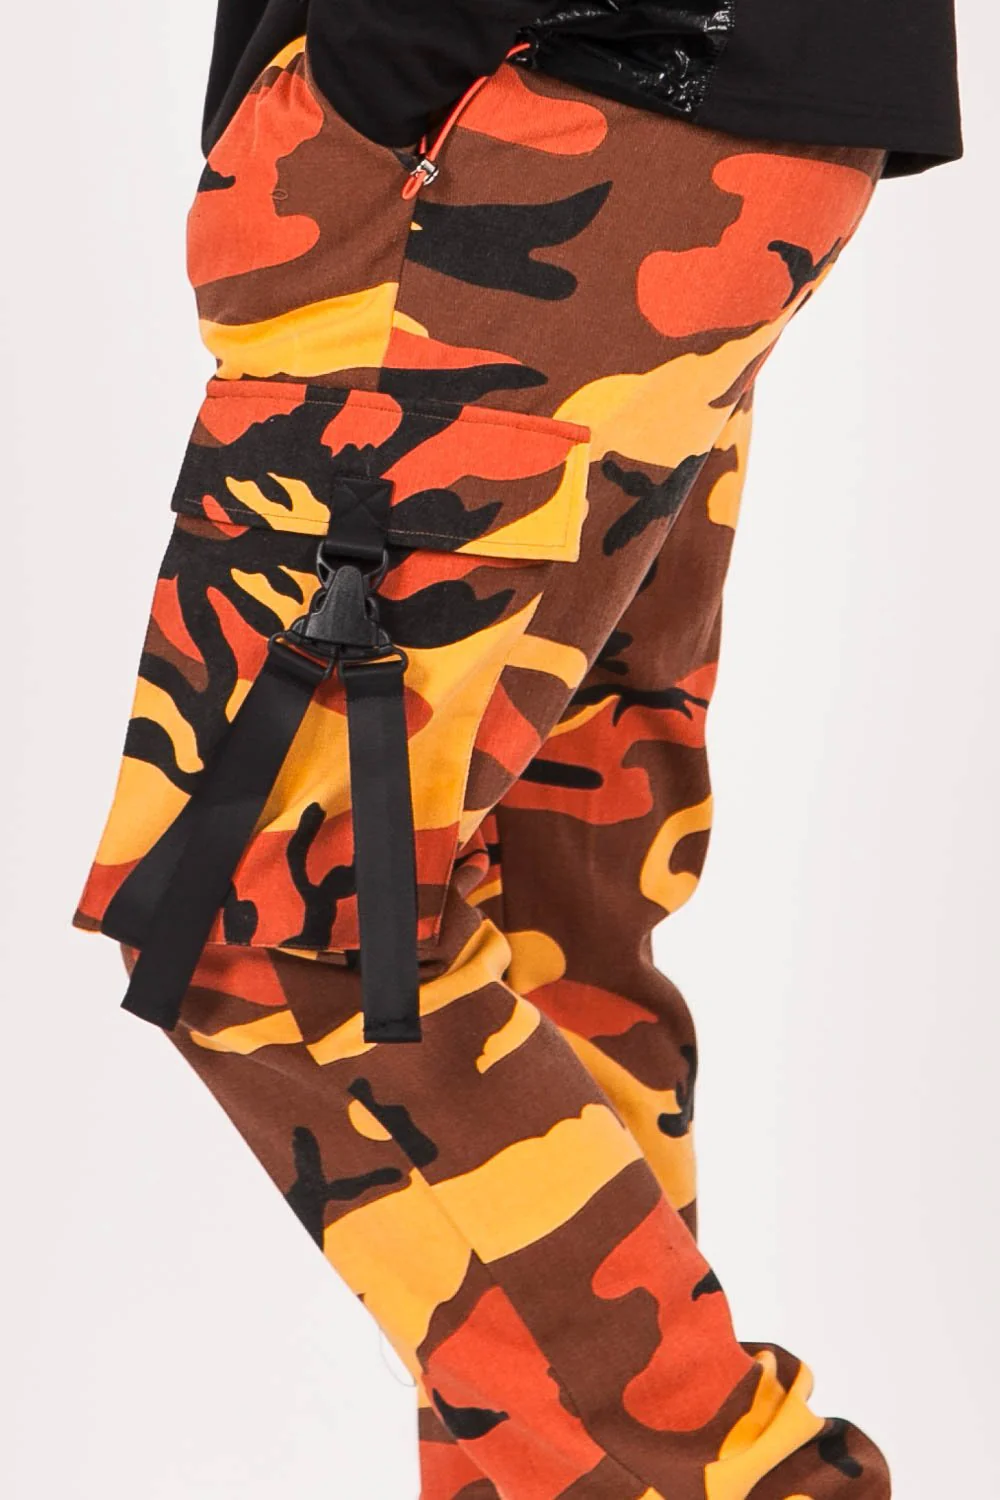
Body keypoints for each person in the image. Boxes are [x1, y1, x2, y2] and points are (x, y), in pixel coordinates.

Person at [76, 3, 961, 1495]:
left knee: (278, 926)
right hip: (688, 134)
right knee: (545, 898)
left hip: (521, 124)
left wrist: (366, 89)